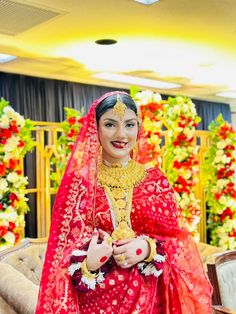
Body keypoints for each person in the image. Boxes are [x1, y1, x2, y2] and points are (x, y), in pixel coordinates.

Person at [36, 91, 212, 314]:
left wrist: (146, 248)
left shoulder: (155, 179)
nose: (121, 134)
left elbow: (177, 244)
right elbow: (60, 255)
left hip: (150, 302)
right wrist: (88, 263)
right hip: (94, 303)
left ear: (139, 128)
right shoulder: (78, 182)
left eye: (129, 125)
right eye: (110, 124)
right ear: (95, 128)